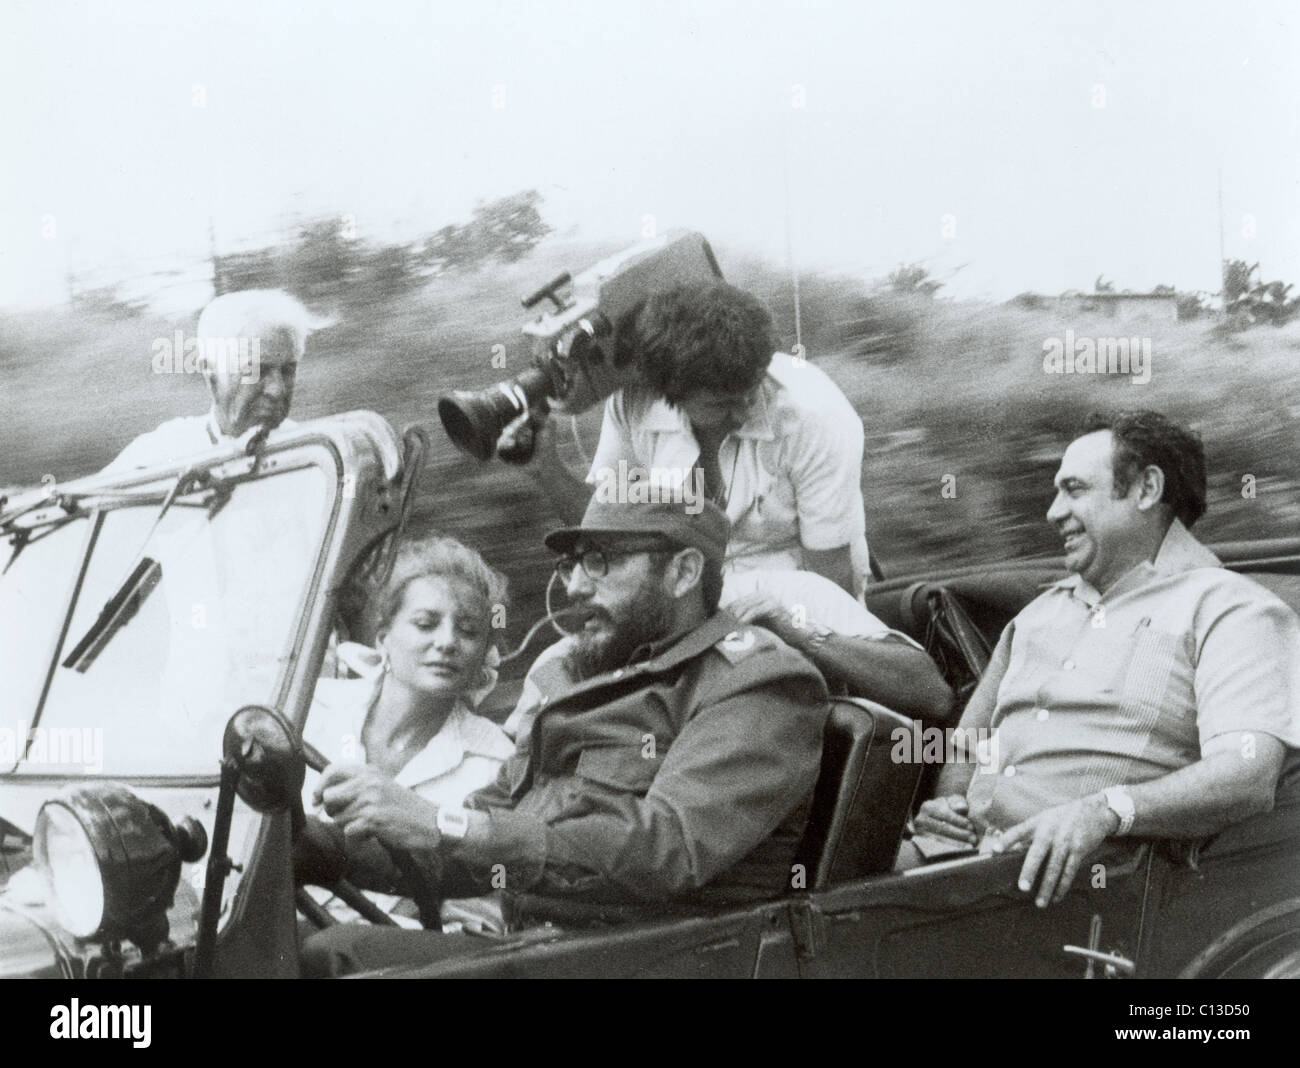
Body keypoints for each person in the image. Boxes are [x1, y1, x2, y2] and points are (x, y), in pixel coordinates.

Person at [299, 498, 829, 975]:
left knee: (340, 959)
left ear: (684, 571)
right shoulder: (585, 685)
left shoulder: (755, 683)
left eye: (601, 560)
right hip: (545, 951)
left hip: (660, 959)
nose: (575, 586)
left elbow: (666, 848)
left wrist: (445, 822)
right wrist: (320, 849)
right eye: (572, 564)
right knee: (302, 940)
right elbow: (475, 837)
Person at [906, 410, 1300, 908]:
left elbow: (1249, 777)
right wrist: (951, 803)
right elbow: (970, 746)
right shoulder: (1036, 615)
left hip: (1078, 888)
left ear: (1146, 489)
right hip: (951, 863)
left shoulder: (1233, 611)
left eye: (1073, 489)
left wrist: (1106, 809)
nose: (1052, 511)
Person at [519, 281, 872, 600]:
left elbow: (832, 581)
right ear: (669, 393)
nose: (743, 411)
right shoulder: (633, 404)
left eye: (751, 392)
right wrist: (546, 469)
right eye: (722, 404)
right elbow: (605, 531)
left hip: (793, 589)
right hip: (684, 591)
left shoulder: (817, 418)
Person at [302, 535, 514, 926]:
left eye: (468, 631)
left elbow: (480, 921)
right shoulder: (309, 711)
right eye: (425, 623)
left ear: (485, 652)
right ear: (383, 636)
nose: (447, 642)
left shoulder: (497, 763)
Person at [104, 288, 318, 471]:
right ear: (212, 375)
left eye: (288, 371)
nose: (277, 390)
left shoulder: (313, 454)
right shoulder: (160, 453)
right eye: (257, 371)